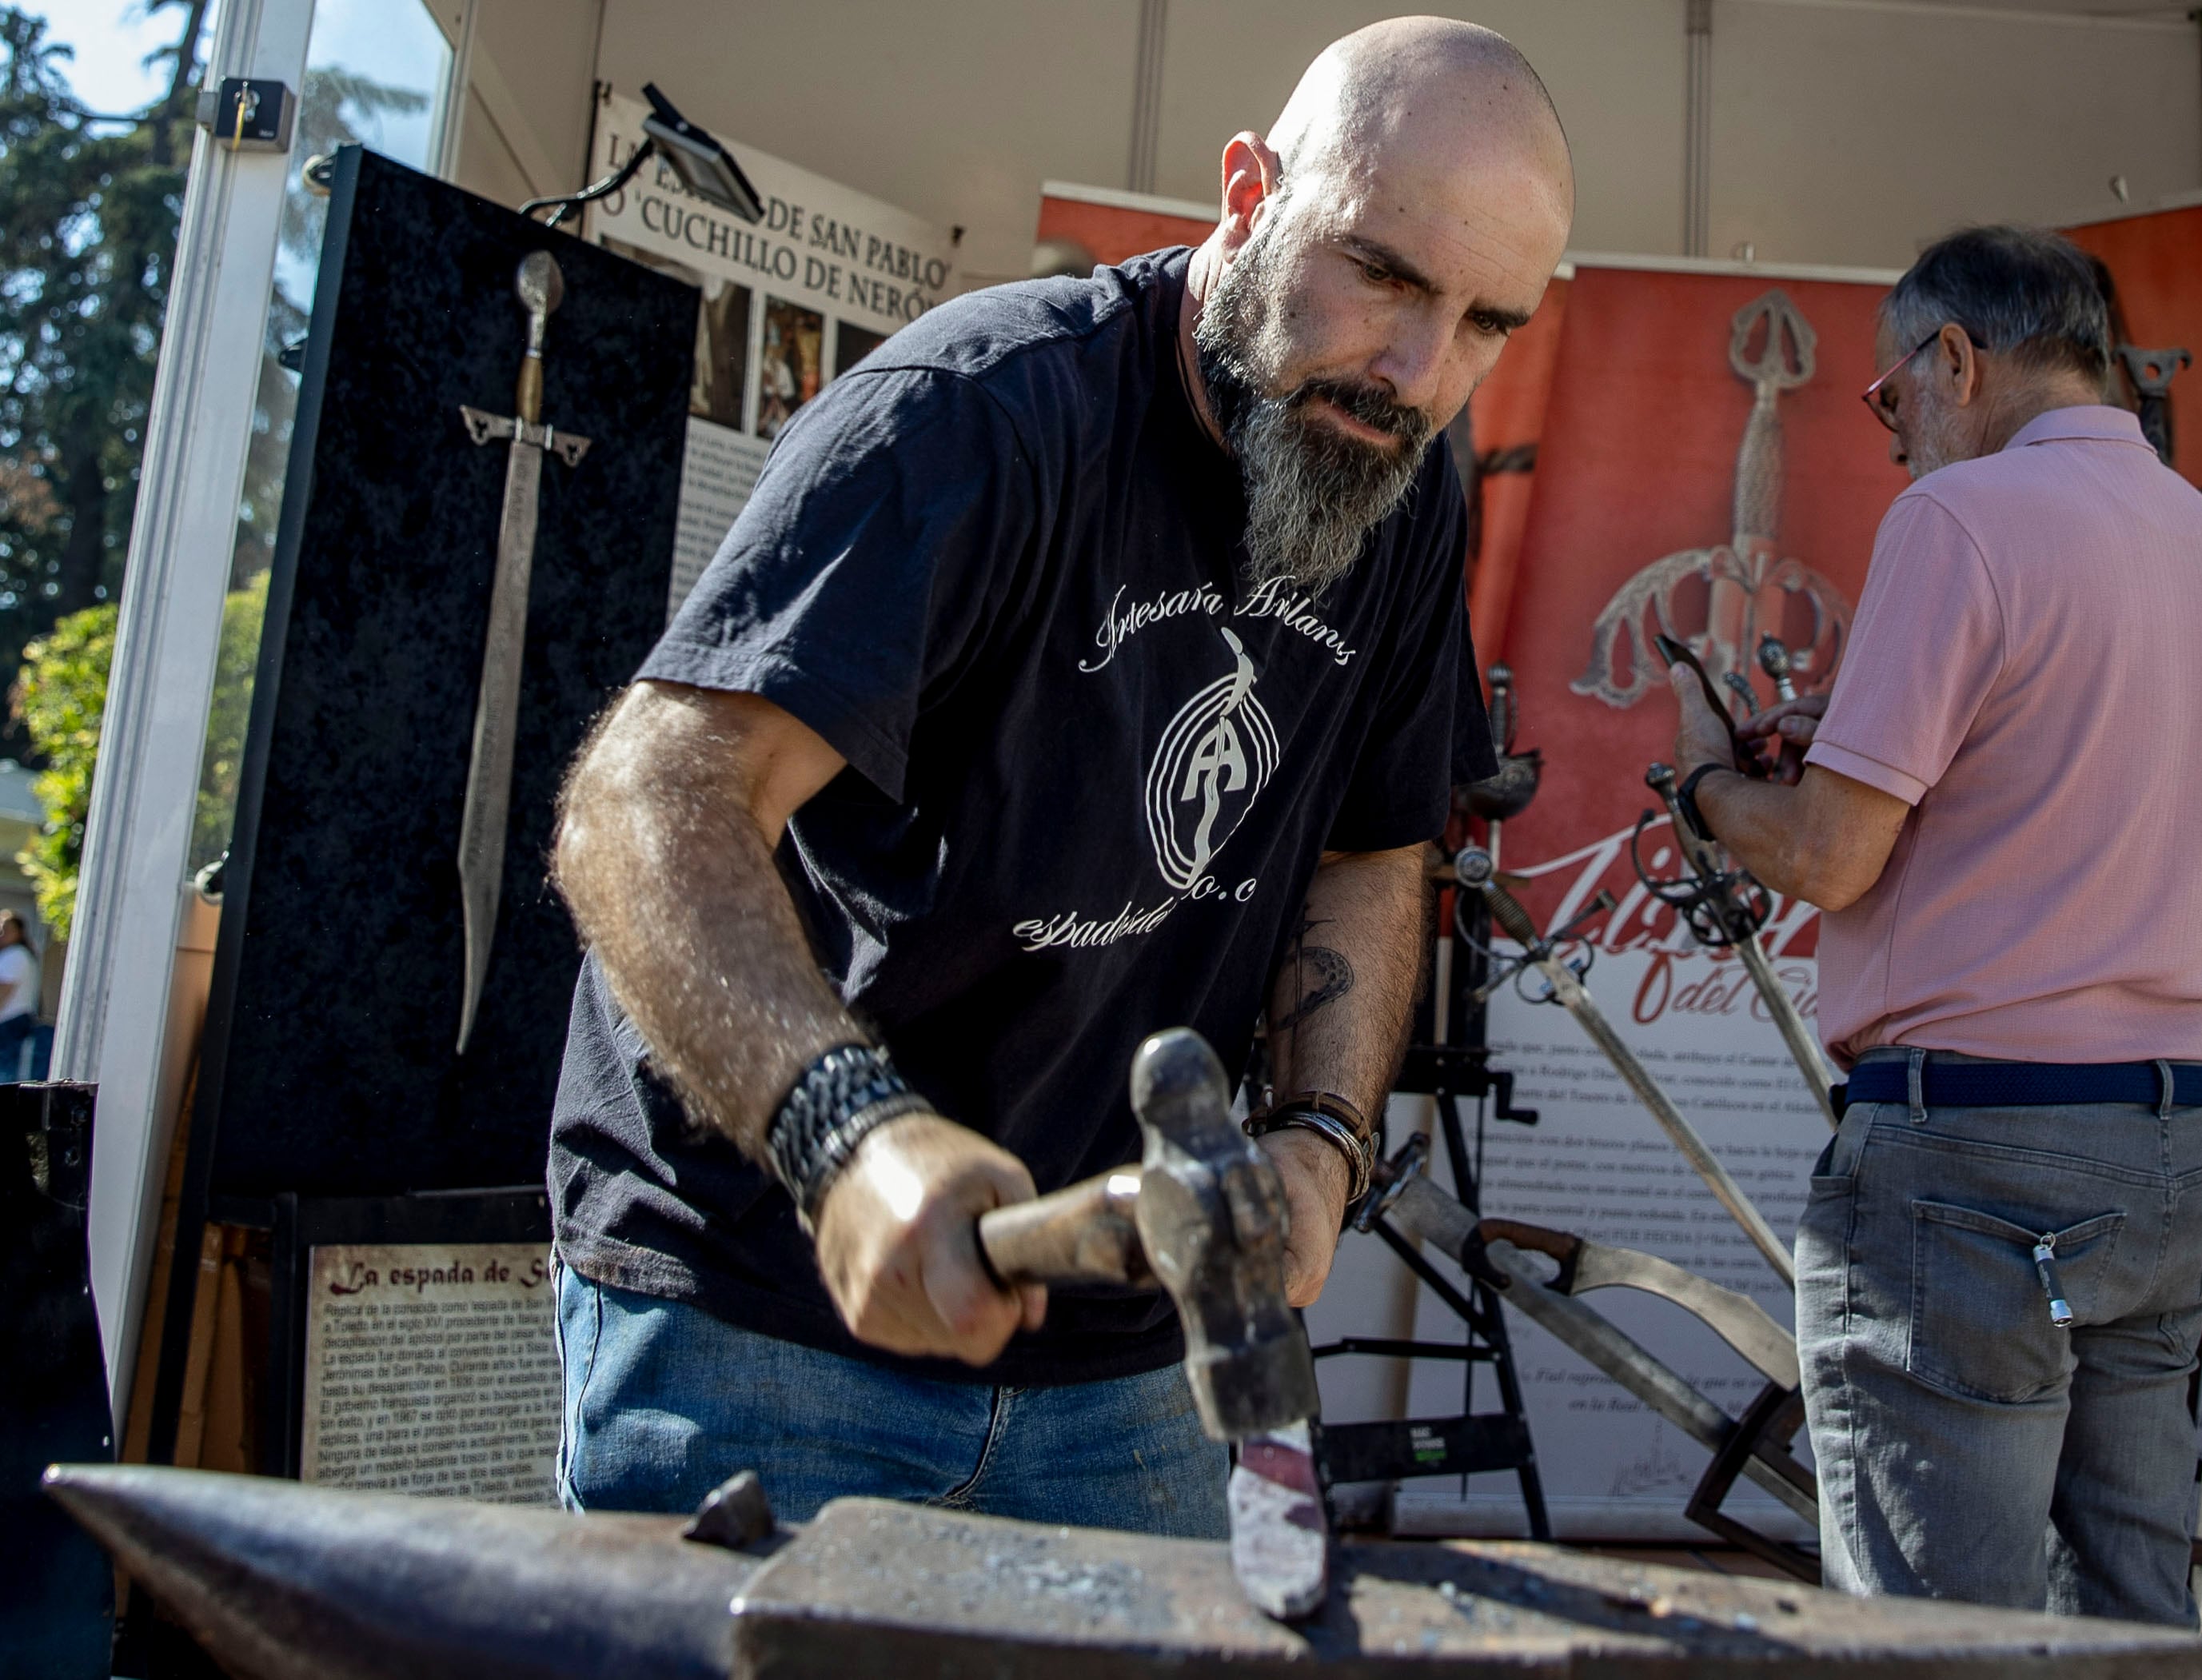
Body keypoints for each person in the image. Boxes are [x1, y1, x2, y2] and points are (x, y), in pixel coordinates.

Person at [547, 17, 1574, 1537]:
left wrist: (1318, 1139)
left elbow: (1369, 846)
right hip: (766, 1312)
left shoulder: (1400, 483)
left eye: (1489, 321)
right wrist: (845, 1133)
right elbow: (646, 803)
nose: (1423, 372)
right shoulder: (977, 417)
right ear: (1246, 193)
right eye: (1385, 276)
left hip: (1122, 1369)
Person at [1665, 225, 2202, 1623]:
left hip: (1977, 1149)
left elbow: (1822, 857)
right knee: (2134, 1618)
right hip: (2173, 1138)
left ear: (1954, 357)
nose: (1890, 437)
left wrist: (1702, 778)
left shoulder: (1960, 519)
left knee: (1939, 1632)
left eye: (1890, 397)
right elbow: (2056, 769)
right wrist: (1859, 733)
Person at [0, 911, 37, 1079]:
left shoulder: (16, 955)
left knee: (5, 1072)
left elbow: (3, 992)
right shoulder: (16, 955)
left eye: (7, 929)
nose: (2, 934)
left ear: (18, 933)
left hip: (10, 1022)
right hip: (13, 1022)